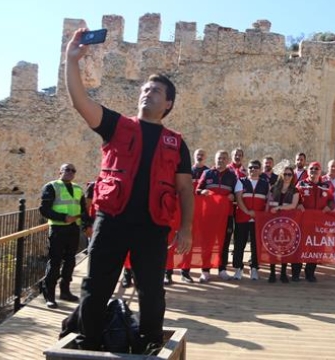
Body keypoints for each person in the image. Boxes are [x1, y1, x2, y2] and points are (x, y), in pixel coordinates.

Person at [65, 28, 193, 351]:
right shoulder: (116, 125)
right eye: (145, 88)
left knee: (152, 290)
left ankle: (151, 343)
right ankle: (88, 341)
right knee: (96, 285)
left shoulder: (176, 144)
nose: (147, 93)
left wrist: (186, 229)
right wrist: (71, 61)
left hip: (153, 226)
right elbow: (81, 102)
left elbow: (185, 190)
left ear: (169, 103)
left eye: (156, 90)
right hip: (112, 220)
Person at [39, 163, 90, 309]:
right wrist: (63, 217)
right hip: (57, 229)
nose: (70, 172)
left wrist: (86, 225)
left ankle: (65, 291)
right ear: (59, 171)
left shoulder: (78, 189)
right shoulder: (51, 186)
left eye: (73, 170)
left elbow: (83, 209)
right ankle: (49, 295)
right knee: (55, 262)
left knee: (70, 261)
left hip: (73, 230)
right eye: (67, 169)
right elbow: (44, 209)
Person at [164, 148, 209, 284]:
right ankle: (168, 273)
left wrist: (202, 193)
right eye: (198, 154)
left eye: (202, 154)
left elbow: (203, 191)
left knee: (190, 243)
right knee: (170, 242)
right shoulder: (182, 171)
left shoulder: (207, 172)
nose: (200, 156)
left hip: (195, 213)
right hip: (175, 211)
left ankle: (185, 272)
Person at [196, 150, 238, 282]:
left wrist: (233, 196)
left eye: (224, 158)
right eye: (219, 158)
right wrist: (202, 191)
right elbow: (197, 190)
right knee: (207, 243)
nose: (221, 160)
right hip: (209, 215)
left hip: (226, 215)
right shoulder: (207, 173)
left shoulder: (232, 176)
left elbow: (237, 194)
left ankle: (222, 269)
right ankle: (205, 270)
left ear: (227, 161)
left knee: (224, 243)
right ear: (215, 159)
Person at [296, 161, 335, 282]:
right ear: (308, 171)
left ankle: (310, 272)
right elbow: (293, 197)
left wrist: (329, 207)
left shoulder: (326, 186)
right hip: (303, 222)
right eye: (311, 169)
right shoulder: (301, 184)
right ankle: (296, 272)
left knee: (316, 247)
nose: (314, 171)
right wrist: (298, 205)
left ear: (320, 171)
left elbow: (332, 200)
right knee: (300, 246)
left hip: (319, 223)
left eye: (316, 169)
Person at [232, 160, 270, 280]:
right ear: (247, 169)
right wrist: (248, 212)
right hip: (242, 217)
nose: (253, 169)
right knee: (239, 244)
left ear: (260, 170)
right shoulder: (241, 181)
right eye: (250, 167)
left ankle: (254, 268)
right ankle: (238, 268)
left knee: (256, 245)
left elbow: (268, 201)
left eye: (256, 167)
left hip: (258, 220)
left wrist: (261, 215)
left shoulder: (265, 183)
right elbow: (239, 199)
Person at [267, 167, 301, 283]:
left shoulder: (295, 190)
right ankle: (272, 272)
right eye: (285, 174)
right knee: (272, 247)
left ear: (292, 176)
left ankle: (283, 272)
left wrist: (279, 207)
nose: (287, 177)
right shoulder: (274, 188)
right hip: (273, 221)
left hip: (287, 222)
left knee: (285, 248)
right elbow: (268, 203)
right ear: (281, 175)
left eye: (289, 175)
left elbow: (293, 205)